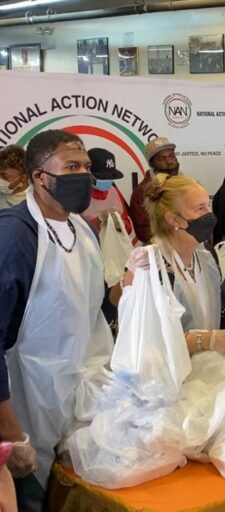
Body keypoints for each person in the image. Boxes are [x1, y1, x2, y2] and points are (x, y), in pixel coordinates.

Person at [0, 130, 113, 511]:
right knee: (33, 497)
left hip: (77, 395)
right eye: (71, 167)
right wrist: (12, 436)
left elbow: (94, 307)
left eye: (86, 166)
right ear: (39, 177)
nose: (83, 174)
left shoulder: (83, 229)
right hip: (26, 402)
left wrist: (132, 287)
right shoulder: (15, 236)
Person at [121, 174, 225, 353]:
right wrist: (207, 340)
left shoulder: (206, 256)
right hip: (168, 375)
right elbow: (147, 341)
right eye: (200, 208)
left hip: (205, 367)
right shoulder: (150, 264)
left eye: (208, 206)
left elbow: (217, 313)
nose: (209, 214)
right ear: (174, 219)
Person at [129, 137, 179, 244]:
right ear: (152, 164)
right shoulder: (142, 192)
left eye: (171, 156)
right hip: (160, 251)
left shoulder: (182, 184)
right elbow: (143, 232)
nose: (170, 162)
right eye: (161, 159)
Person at [82, 147, 135, 240]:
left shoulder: (113, 192)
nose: (107, 181)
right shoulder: (76, 196)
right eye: (103, 177)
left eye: (110, 176)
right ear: (88, 173)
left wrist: (121, 223)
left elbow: (129, 229)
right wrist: (98, 222)